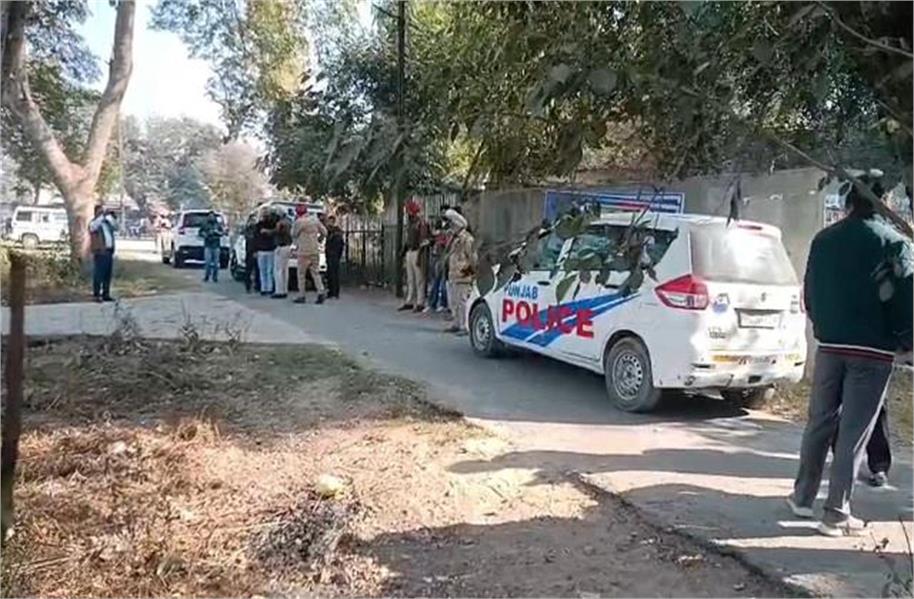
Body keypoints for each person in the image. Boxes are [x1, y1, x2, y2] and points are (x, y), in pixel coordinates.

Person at [789, 174, 913, 537]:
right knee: (854, 433)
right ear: (883, 201)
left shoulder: (823, 240)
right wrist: (905, 342)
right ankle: (836, 513)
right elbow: (907, 300)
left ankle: (802, 497)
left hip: (830, 346)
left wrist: (823, 326)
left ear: (848, 200)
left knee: (819, 422)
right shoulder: (895, 243)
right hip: (872, 351)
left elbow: (809, 293)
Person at [443, 208, 476, 335]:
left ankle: (464, 326)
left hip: (463, 276)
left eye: (452, 224)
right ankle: (456, 323)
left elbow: (473, 259)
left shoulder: (467, 239)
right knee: (454, 302)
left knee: (463, 302)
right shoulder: (454, 238)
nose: (450, 227)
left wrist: (469, 274)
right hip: (454, 274)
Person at [291, 205, 327, 304]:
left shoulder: (299, 222)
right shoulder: (315, 220)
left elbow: (293, 234)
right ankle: (320, 291)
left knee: (301, 274)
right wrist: (319, 239)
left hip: (303, 251)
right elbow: (325, 232)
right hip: (314, 250)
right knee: (315, 272)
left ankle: (301, 295)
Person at [399, 199, 430, 312]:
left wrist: (420, 255)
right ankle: (410, 301)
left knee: (419, 279)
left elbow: (423, 241)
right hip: (410, 251)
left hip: (417, 251)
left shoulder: (421, 224)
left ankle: (420, 302)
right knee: (410, 279)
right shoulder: (411, 223)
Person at [88, 206, 117, 302]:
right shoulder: (94, 223)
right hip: (100, 251)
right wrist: (102, 216)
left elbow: (116, 227)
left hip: (109, 251)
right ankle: (96, 294)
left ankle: (106, 294)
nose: (103, 213)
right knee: (99, 274)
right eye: (100, 211)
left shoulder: (107, 223)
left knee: (107, 274)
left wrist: (110, 217)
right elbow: (93, 227)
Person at [424, 209, 450, 313]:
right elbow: (433, 237)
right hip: (436, 255)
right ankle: (432, 303)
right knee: (435, 280)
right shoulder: (438, 224)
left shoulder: (450, 227)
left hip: (443, 255)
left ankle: (443, 303)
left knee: (443, 281)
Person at [268, 210, 293, 299]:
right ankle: (284, 289)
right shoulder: (289, 222)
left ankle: (279, 291)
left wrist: (267, 231)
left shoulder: (281, 223)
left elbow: (276, 231)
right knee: (285, 270)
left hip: (281, 247)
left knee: (278, 270)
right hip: (288, 247)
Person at [253, 208, 277, 296]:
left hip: (270, 250)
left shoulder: (273, 225)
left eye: (267, 214)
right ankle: (264, 288)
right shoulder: (258, 226)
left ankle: (268, 288)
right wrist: (255, 250)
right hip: (262, 250)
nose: (265, 216)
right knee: (263, 270)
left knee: (268, 270)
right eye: (264, 214)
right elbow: (255, 239)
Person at [198, 211, 225, 283]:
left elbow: (222, 233)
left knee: (216, 263)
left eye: (212, 216)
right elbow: (200, 233)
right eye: (210, 216)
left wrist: (217, 232)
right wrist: (206, 234)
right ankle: (206, 276)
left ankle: (215, 277)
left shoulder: (218, 225)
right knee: (207, 262)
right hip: (208, 245)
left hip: (216, 245)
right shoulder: (205, 224)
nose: (211, 218)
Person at [325, 214, 344, 299]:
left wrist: (334, 254)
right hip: (331, 255)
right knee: (330, 274)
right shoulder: (330, 232)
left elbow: (339, 245)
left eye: (330, 222)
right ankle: (332, 292)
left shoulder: (336, 233)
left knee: (333, 274)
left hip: (333, 255)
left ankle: (334, 292)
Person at [243, 213, 259, 293]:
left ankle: (257, 286)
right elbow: (249, 238)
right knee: (248, 270)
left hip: (256, 251)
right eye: (252, 219)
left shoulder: (257, 228)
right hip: (250, 251)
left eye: (254, 219)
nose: (253, 221)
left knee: (257, 270)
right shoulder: (248, 229)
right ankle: (248, 286)